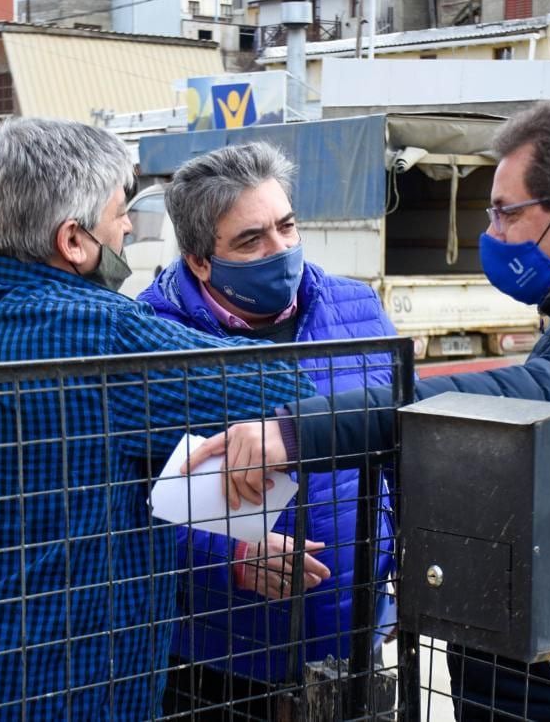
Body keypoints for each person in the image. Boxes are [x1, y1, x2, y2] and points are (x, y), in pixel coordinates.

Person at [185, 100, 550, 721]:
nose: (492, 233)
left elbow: (527, 403)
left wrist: (298, 430)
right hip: (530, 682)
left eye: (506, 213)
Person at [0, 119, 313, 721]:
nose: (128, 226)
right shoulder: (101, 333)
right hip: (47, 685)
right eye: (119, 211)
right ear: (73, 239)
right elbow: (294, 390)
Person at [137, 141, 398, 719]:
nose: (280, 250)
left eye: (287, 226)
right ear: (202, 259)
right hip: (219, 661)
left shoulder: (357, 308)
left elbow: (402, 438)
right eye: (251, 240)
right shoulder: (152, 337)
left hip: (353, 640)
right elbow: (122, 505)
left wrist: (401, 555)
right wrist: (226, 558)